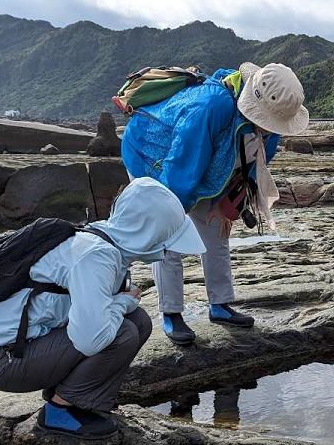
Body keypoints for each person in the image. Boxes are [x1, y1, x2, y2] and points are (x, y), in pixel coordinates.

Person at [0, 178, 205, 439]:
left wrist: (121, 304)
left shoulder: (102, 237)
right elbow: (92, 340)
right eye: (165, 238)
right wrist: (123, 301)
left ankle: (80, 399)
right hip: (0, 358)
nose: (168, 249)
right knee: (123, 332)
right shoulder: (96, 256)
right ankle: (59, 412)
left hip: (18, 344)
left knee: (139, 322)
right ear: (149, 232)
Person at [122, 62, 309, 344]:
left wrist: (229, 204)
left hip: (207, 166)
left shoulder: (273, 120)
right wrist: (172, 214)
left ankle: (219, 305)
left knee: (217, 231)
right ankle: (171, 312)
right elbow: (181, 167)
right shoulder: (210, 106)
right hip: (153, 155)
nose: (271, 130)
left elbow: (252, 166)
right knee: (168, 237)